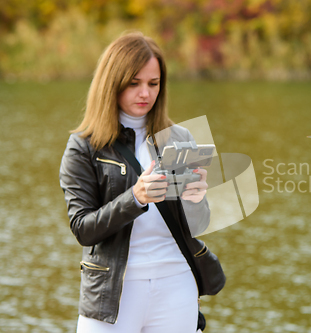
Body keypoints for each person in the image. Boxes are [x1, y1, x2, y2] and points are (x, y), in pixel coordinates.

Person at [59, 31, 210, 333]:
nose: (145, 93)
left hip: (176, 283)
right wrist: (136, 197)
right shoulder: (84, 146)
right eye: (134, 83)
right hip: (113, 290)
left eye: (153, 84)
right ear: (112, 83)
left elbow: (200, 224)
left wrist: (196, 199)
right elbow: (83, 229)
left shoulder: (181, 138)